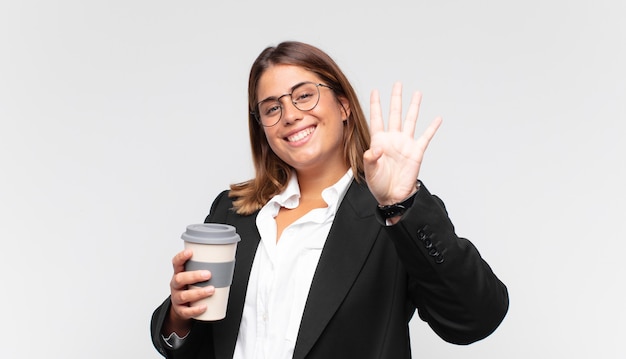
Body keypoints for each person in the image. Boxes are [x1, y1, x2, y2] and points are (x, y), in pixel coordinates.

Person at [150, 40, 509, 359]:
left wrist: (402, 205)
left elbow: (475, 318)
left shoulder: (392, 214)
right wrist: (180, 318)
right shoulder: (232, 210)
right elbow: (201, 340)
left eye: (304, 95)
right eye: (271, 108)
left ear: (343, 106)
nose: (289, 115)